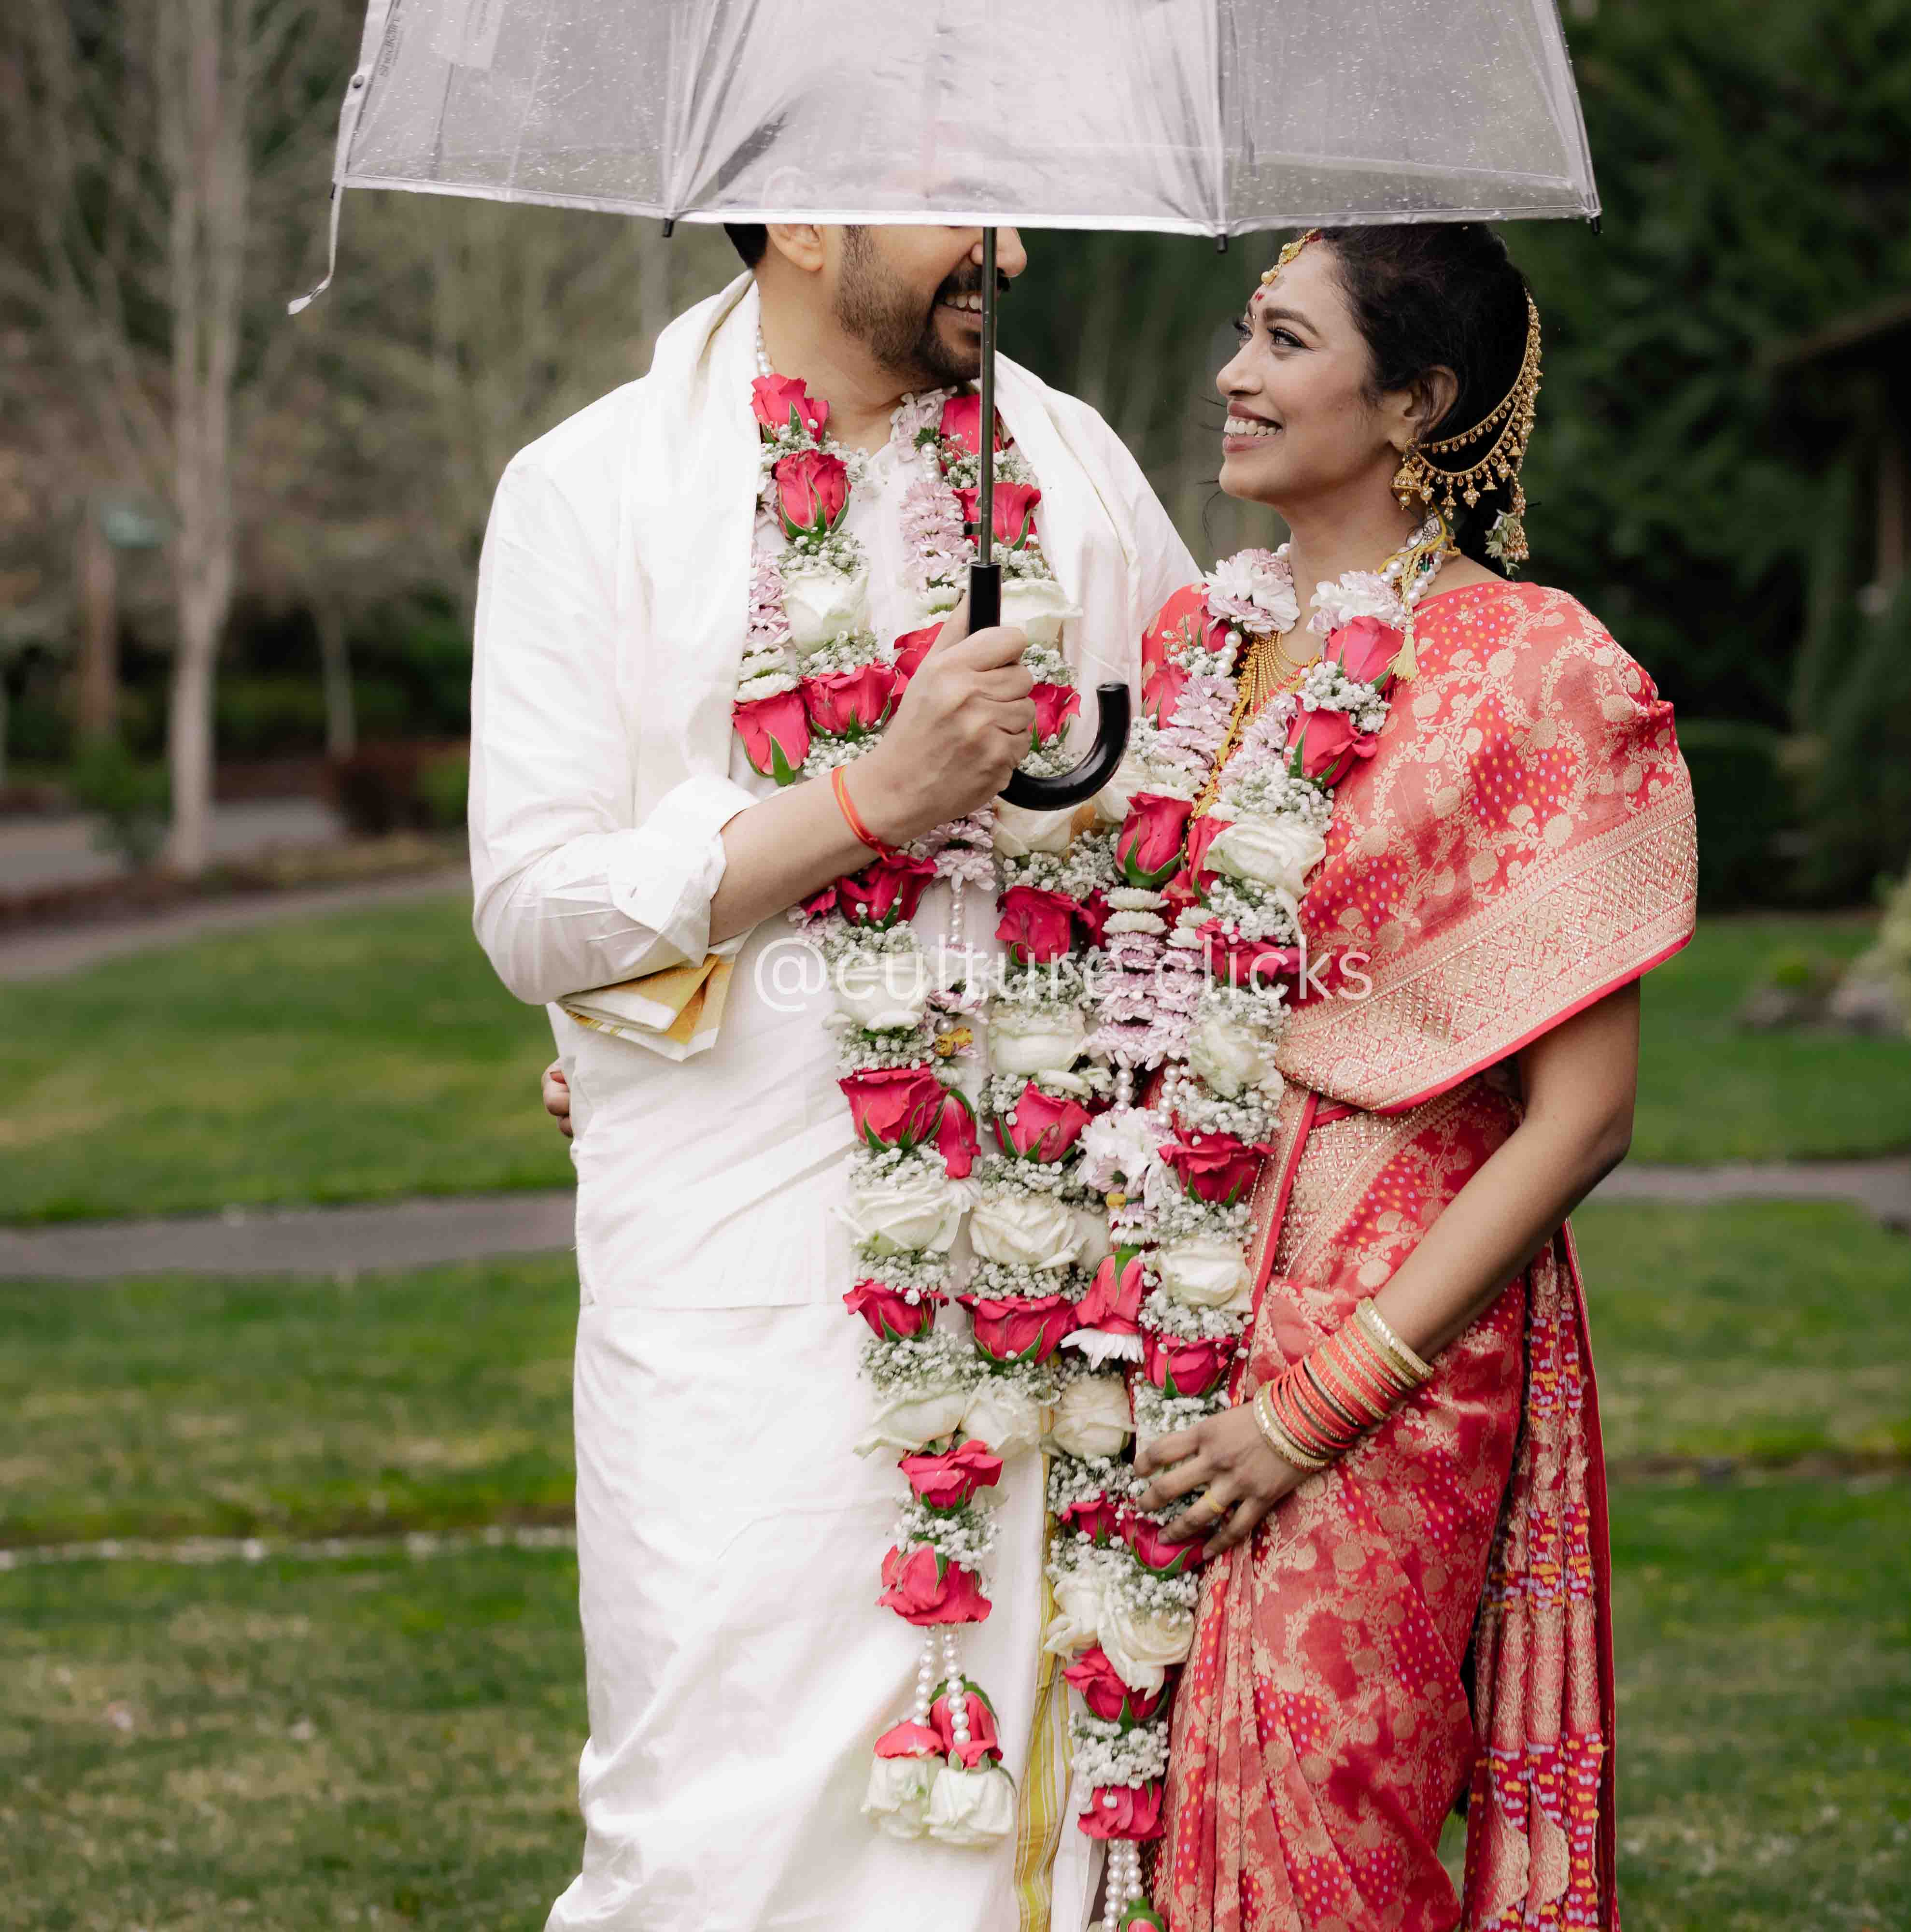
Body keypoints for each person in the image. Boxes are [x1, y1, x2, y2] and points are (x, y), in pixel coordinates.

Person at [475, 221, 1197, 1932]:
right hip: (734, 1301)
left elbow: (1201, 792)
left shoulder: (1075, 470)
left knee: (1024, 1834)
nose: (1011, 248)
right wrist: (875, 798)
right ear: (804, 220)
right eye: (964, 208)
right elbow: (535, 907)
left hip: (1040, 1284)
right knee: (717, 1829)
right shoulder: (593, 490)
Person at [1126, 225, 1699, 1930]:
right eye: (1246, 332)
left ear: (1416, 402)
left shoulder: (1538, 668)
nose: (1233, 375)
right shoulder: (1194, 647)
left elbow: (1585, 1117)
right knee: (1127, 1813)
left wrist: (1321, 1401)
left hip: (1388, 1335)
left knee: (1333, 1819)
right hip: (1158, 1293)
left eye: (1286, 342)